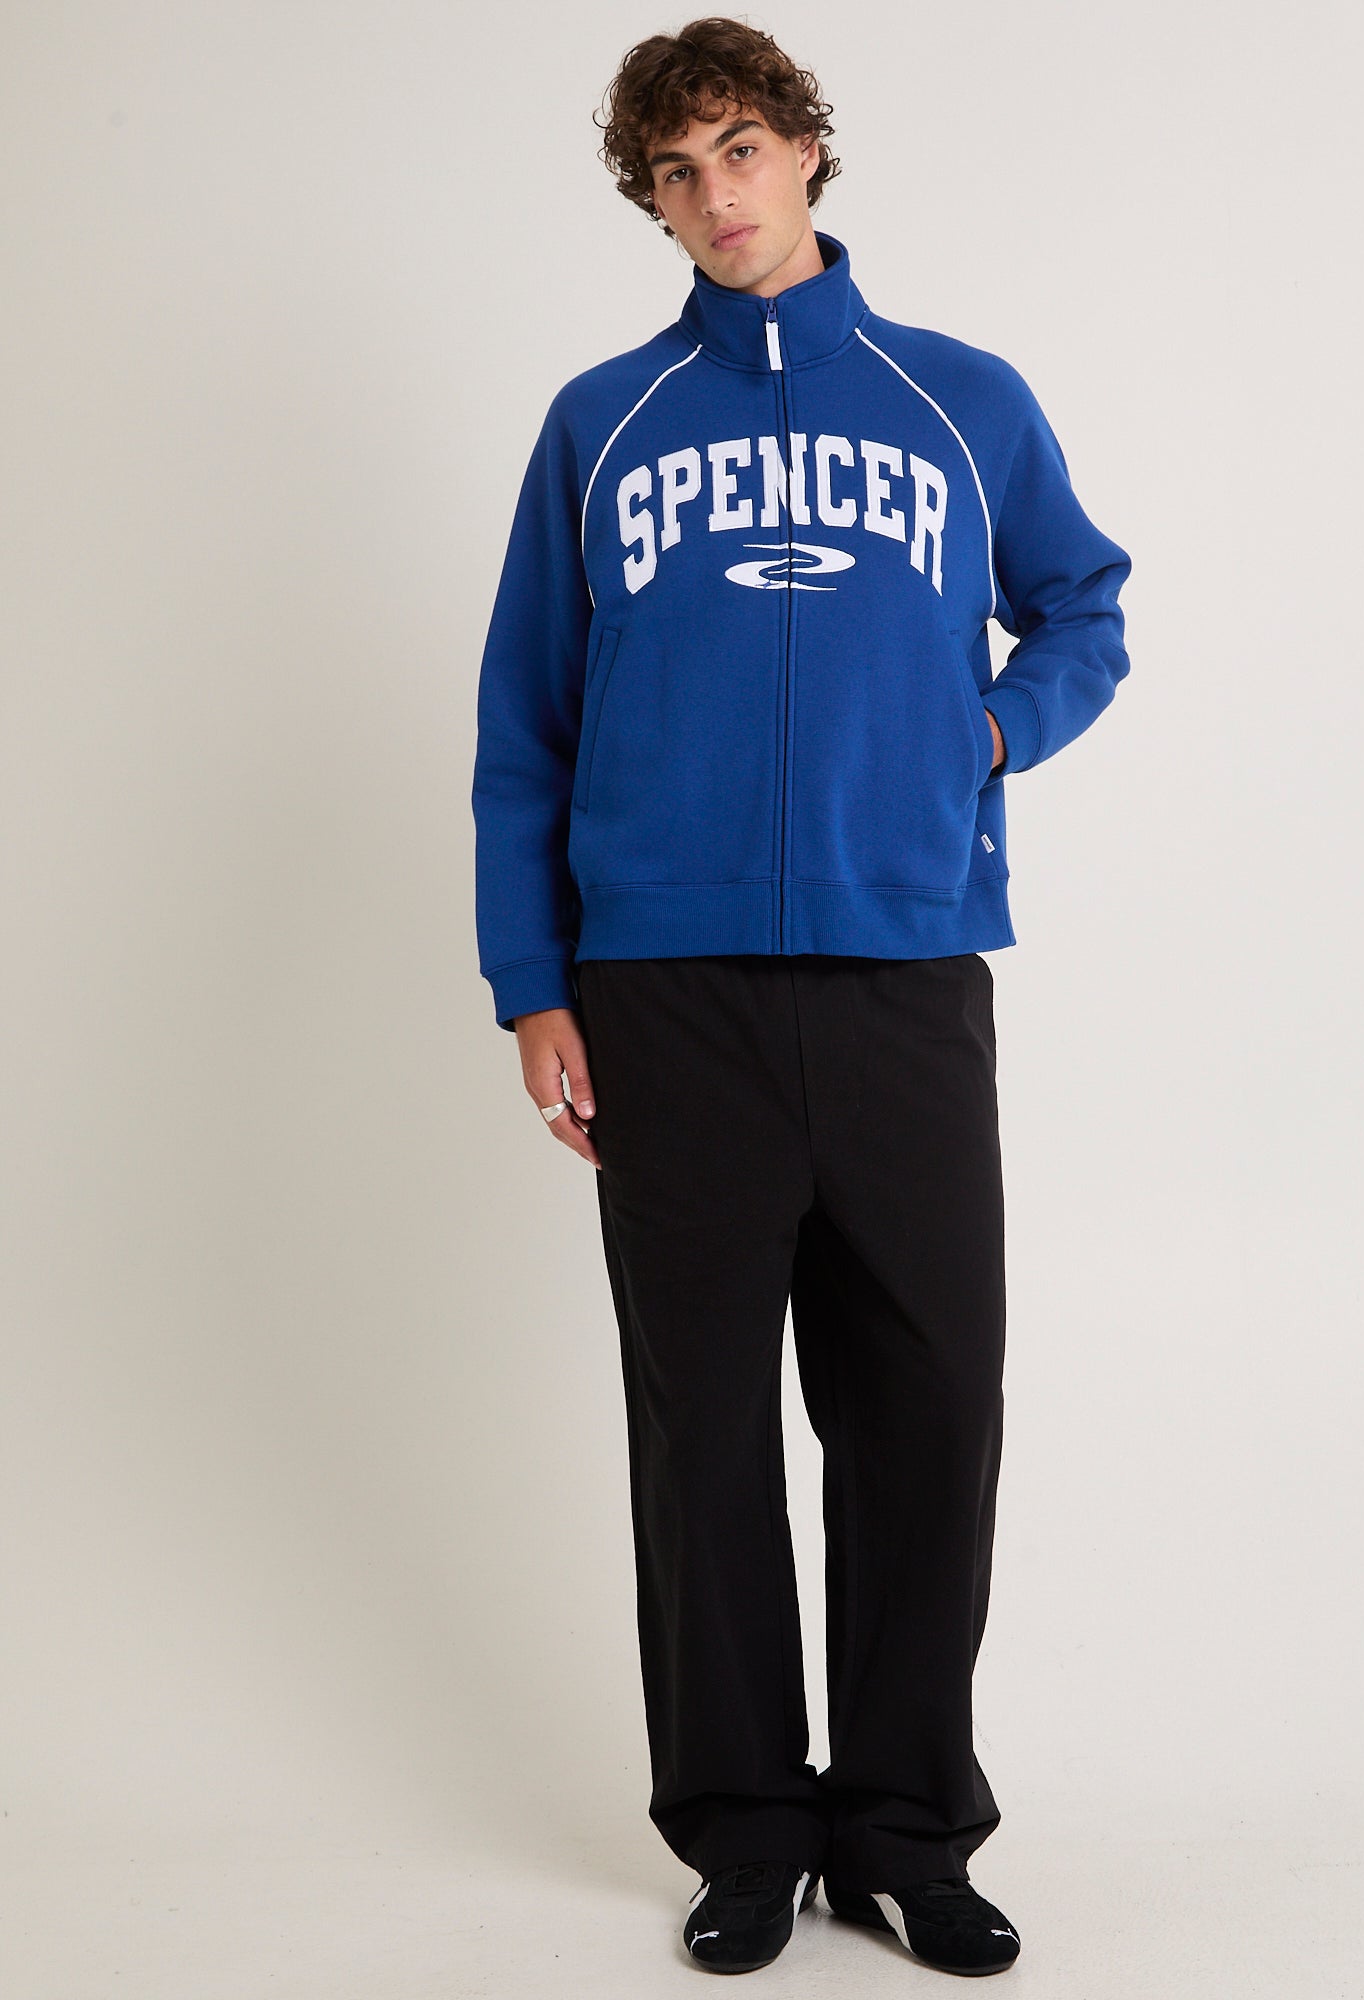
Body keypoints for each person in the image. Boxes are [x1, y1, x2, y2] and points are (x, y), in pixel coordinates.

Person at [471, 16, 1132, 1977]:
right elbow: (523, 723)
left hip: (902, 970)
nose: (716, 195)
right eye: (675, 173)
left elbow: (1083, 604)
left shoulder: (959, 402)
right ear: (652, 204)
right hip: (660, 991)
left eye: (741, 149)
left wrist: (989, 735)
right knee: (702, 1432)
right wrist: (532, 982)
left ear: (806, 154)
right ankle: (747, 1828)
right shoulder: (602, 423)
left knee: (926, 1408)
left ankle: (906, 1831)